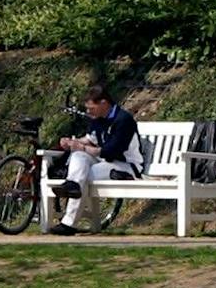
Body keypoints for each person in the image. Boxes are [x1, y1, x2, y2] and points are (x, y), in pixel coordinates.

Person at [46, 85, 143, 235]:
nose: (88, 112)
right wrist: (72, 143)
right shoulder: (98, 118)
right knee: (78, 157)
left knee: (84, 175)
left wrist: (81, 147)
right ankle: (71, 185)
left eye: (91, 108)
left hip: (126, 165)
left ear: (104, 103)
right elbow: (90, 139)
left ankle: (69, 222)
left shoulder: (124, 120)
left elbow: (110, 151)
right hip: (105, 160)